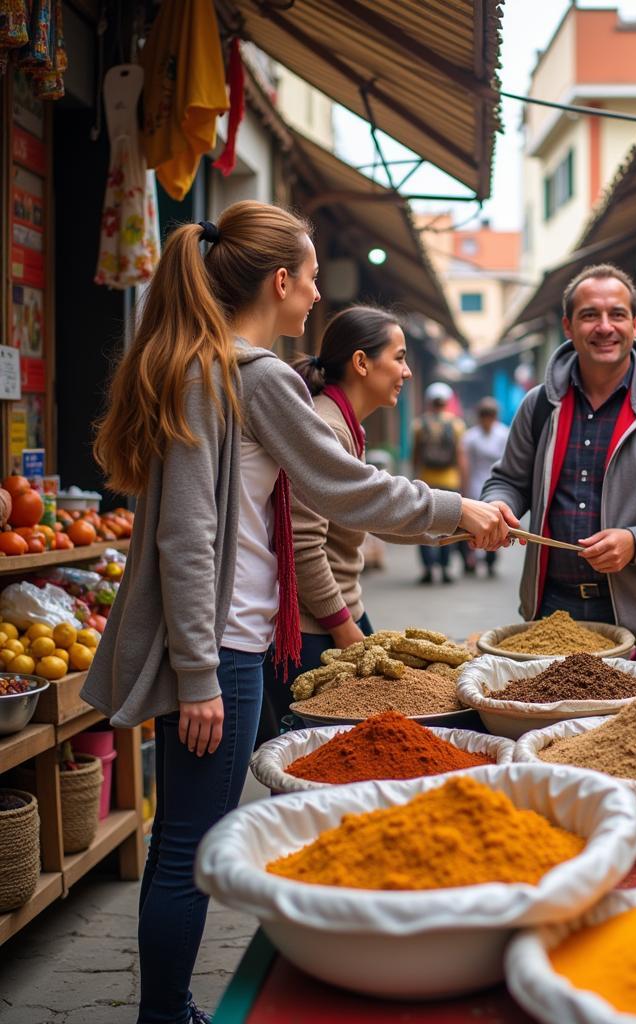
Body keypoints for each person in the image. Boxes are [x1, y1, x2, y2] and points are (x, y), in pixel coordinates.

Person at [83, 201, 511, 1024]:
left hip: (218, 643)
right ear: (279, 281)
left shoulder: (202, 367)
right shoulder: (257, 376)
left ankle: (165, 1012)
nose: (315, 296)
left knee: (180, 838)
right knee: (189, 848)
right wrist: (458, 511)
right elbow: (335, 490)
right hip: (227, 647)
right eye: (310, 278)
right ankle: (166, 1016)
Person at [481, 263, 636, 636]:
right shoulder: (540, 405)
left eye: (617, 315)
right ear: (568, 326)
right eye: (590, 315)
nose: (605, 327)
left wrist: (635, 542)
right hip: (551, 613)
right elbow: (508, 480)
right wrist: (499, 506)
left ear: (635, 324)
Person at [259, 305, 410, 738]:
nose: (407, 371)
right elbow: (303, 545)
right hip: (315, 628)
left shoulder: (345, 425)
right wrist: (346, 631)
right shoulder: (326, 427)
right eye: (398, 357)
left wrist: (458, 529)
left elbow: (367, 510)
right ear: (362, 363)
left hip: (338, 614)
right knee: (315, 767)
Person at [411, 381, 469, 583]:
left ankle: (428, 569)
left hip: (426, 481)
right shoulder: (456, 425)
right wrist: (464, 482)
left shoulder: (419, 425)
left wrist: (414, 478)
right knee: (448, 526)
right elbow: (461, 456)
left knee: (423, 526)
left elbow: (415, 455)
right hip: (450, 481)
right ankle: (445, 569)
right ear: (447, 401)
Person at [461, 396, 510, 577]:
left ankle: (490, 559)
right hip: (475, 483)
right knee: (471, 525)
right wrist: (464, 487)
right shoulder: (471, 437)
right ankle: (471, 557)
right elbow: (465, 464)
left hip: (497, 484)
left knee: (494, 522)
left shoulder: (504, 434)